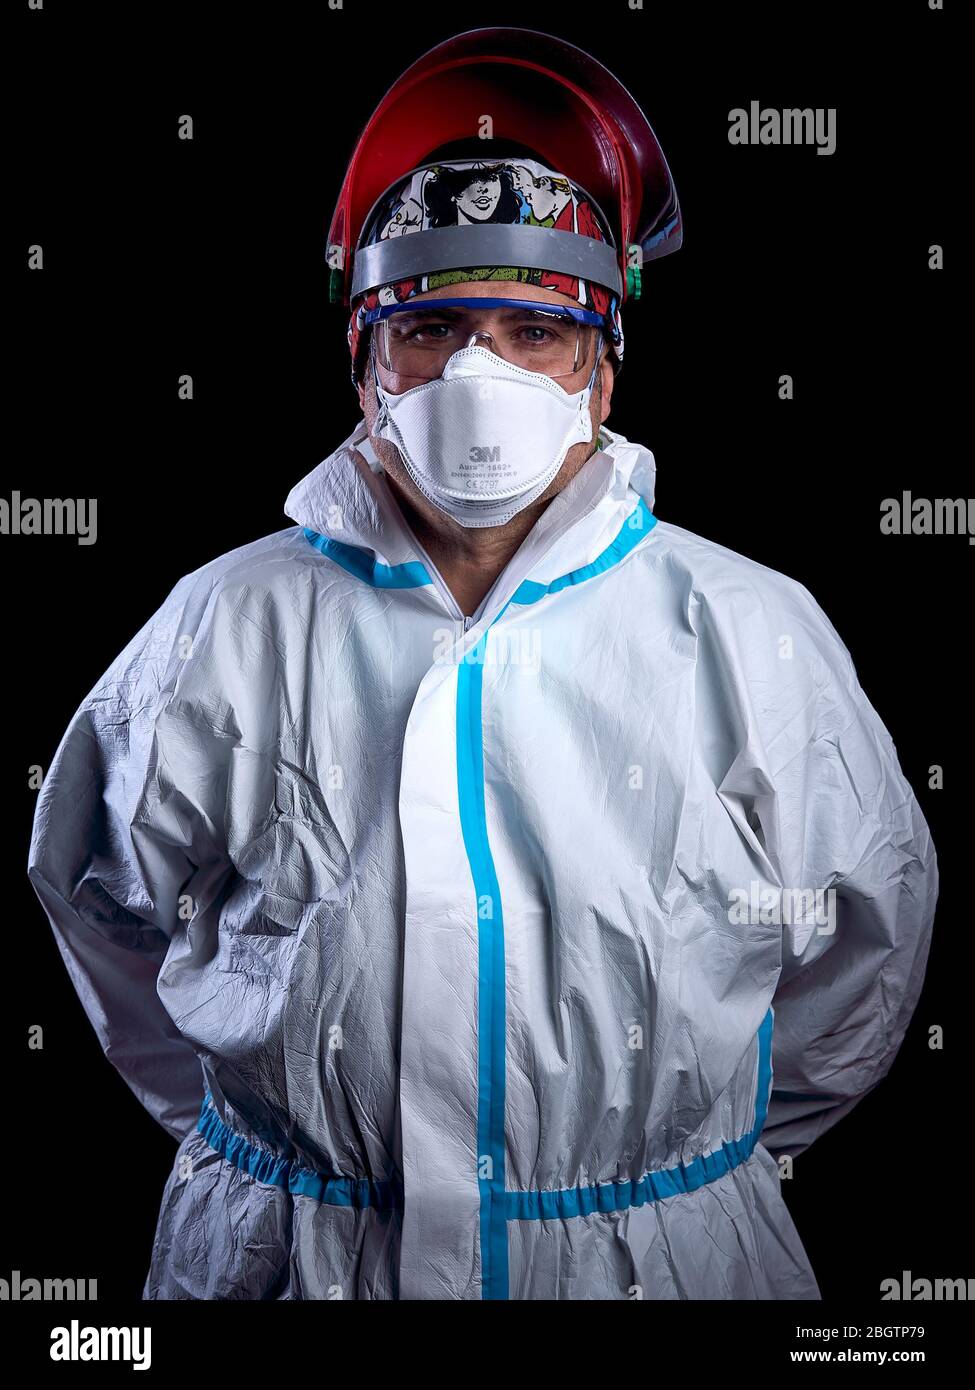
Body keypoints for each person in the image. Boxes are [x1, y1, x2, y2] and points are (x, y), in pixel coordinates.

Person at [28, 29, 937, 1302]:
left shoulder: (746, 631)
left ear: (604, 369)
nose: (479, 374)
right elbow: (103, 905)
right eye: (433, 328)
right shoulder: (219, 628)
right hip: (293, 1263)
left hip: (659, 1266)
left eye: (534, 331)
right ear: (363, 362)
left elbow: (864, 950)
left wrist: (667, 1168)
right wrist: (270, 1153)